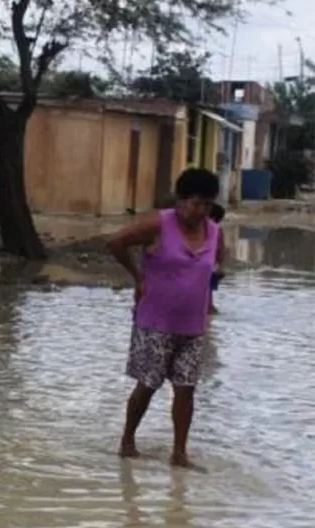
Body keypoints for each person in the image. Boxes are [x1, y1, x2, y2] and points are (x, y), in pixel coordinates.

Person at [107, 168, 224, 469]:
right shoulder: (159, 224)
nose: (201, 211)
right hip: (155, 322)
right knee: (148, 384)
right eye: (196, 203)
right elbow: (116, 242)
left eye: (208, 204)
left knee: (187, 389)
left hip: (193, 326)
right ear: (181, 201)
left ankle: (179, 453)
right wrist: (137, 277)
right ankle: (127, 441)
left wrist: (208, 306)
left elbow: (212, 269)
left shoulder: (214, 231)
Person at [208, 203, 226, 314]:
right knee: (208, 294)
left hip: (209, 268)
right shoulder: (218, 231)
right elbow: (221, 251)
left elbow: (220, 250)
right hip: (212, 268)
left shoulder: (215, 231)